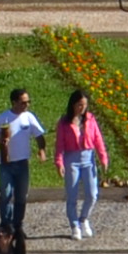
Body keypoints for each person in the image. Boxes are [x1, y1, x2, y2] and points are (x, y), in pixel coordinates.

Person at [53, 89, 110, 241]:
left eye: (85, 105)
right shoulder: (64, 122)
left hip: (88, 158)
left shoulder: (90, 119)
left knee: (92, 194)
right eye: (79, 105)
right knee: (72, 195)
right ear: (73, 104)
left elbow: (98, 139)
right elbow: (59, 145)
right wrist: (59, 162)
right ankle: (74, 225)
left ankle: (83, 218)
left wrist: (103, 157)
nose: (82, 108)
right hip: (71, 159)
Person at [0, 84, 45, 231]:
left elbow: (39, 135)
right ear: (14, 102)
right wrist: (0, 139)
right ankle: (6, 223)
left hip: (22, 162)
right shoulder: (4, 117)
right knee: (6, 194)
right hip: (5, 162)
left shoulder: (29, 117)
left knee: (21, 195)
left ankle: (18, 224)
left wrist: (41, 149)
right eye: (23, 102)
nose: (26, 105)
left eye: (28, 102)